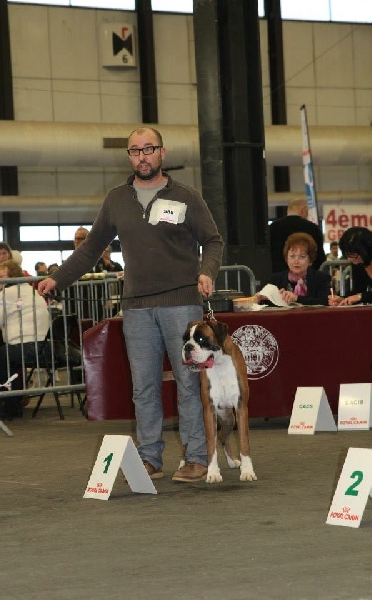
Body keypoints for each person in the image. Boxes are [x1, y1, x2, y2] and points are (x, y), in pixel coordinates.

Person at [38, 126, 223, 482]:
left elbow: (212, 241)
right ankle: (149, 458)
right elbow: (91, 249)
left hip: (182, 305)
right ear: (129, 156)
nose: (142, 156)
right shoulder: (116, 200)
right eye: (135, 150)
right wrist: (57, 279)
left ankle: (197, 458)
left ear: (162, 154)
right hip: (136, 308)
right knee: (144, 387)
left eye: (148, 149)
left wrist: (207, 270)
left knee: (188, 383)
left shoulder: (186, 197)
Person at [0, 259, 49, 419]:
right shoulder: (31, 290)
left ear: (10, 277)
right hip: (42, 347)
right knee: (5, 365)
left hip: (23, 346)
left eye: (1, 277)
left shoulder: (8, 293)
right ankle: (13, 407)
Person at [258, 232, 331, 306]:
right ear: (287, 259)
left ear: (310, 261)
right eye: (292, 256)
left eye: (302, 257)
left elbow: (325, 301)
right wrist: (275, 297)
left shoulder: (321, 278)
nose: (296, 261)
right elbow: (264, 304)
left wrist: (297, 298)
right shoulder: (275, 279)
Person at [269, 198, 326, 272]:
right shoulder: (312, 228)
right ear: (303, 210)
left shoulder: (273, 227)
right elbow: (319, 255)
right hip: (306, 274)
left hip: (278, 272)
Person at [329, 227, 372, 306]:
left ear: (364, 250)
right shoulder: (357, 264)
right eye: (347, 254)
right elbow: (357, 291)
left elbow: (360, 296)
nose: (349, 259)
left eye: (352, 254)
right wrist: (344, 299)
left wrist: (360, 297)